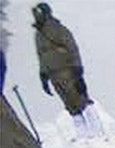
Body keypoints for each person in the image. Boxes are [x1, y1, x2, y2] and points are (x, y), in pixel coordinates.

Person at [31, 2, 103, 139]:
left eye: (39, 13)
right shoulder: (38, 35)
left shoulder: (58, 29)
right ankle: (82, 132)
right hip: (53, 73)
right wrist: (43, 75)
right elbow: (41, 55)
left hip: (66, 70)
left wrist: (77, 67)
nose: (36, 16)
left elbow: (72, 47)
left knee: (80, 98)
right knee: (69, 103)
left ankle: (97, 130)